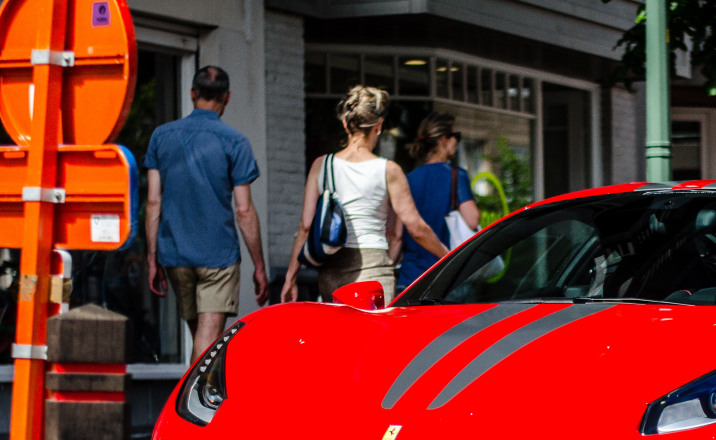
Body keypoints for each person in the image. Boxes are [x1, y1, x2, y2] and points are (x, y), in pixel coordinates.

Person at [145, 65, 269, 365]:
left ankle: (196, 402)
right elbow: (243, 209)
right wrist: (259, 265)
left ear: (192, 94)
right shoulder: (235, 142)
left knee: (200, 336)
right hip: (218, 256)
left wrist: (152, 258)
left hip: (175, 254)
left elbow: (152, 202)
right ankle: (195, 409)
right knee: (209, 339)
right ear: (227, 97)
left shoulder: (161, 136)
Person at [282, 86, 447, 303]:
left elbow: (305, 225)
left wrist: (290, 277)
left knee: (338, 337)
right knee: (376, 337)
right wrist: (448, 256)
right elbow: (415, 227)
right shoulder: (388, 170)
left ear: (345, 124)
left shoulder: (322, 165)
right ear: (378, 126)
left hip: (332, 271)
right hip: (374, 273)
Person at [397, 112, 481, 290]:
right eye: (455, 136)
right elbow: (472, 219)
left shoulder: (407, 179)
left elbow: (397, 236)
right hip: (446, 278)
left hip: (410, 279)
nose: (457, 142)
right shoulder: (456, 175)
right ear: (443, 140)